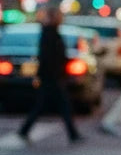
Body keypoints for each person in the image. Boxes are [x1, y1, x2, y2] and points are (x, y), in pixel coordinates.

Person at [18, 8, 83, 144]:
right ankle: (72, 134)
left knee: (46, 105)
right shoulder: (49, 34)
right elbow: (47, 57)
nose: (60, 19)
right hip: (52, 77)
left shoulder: (52, 33)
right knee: (60, 105)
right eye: (58, 16)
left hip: (53, 76)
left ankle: (25, 130)